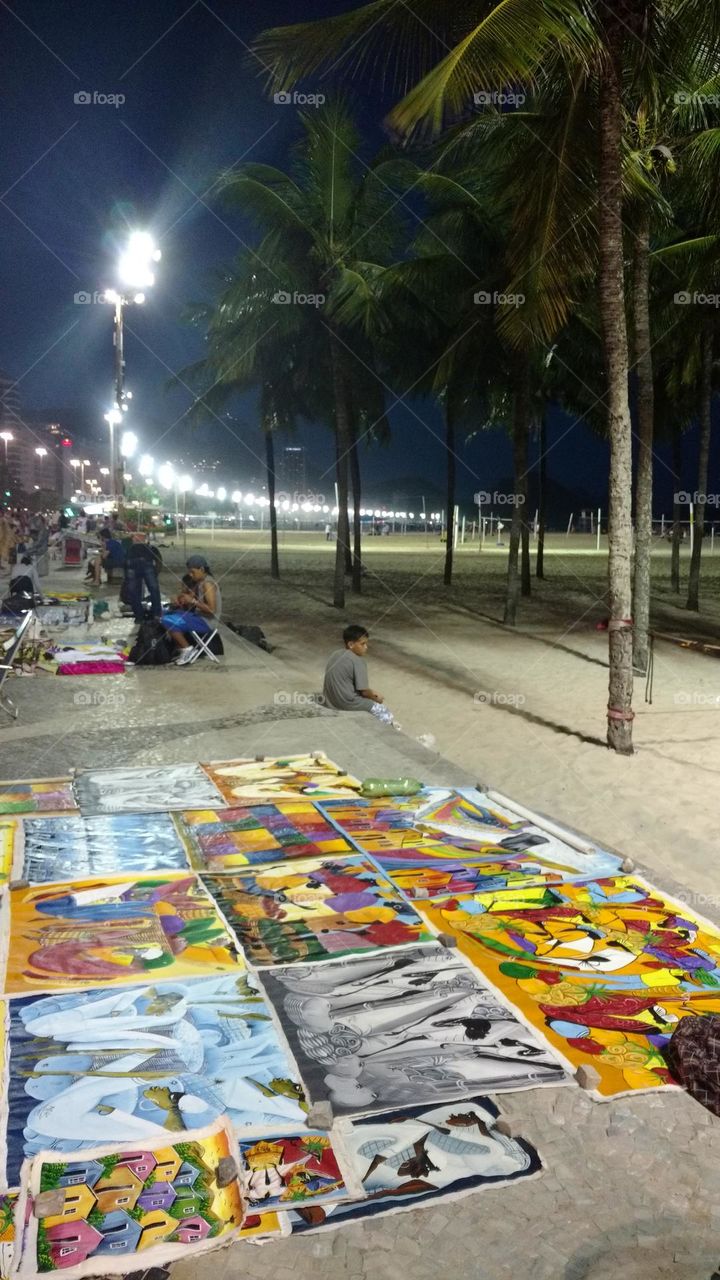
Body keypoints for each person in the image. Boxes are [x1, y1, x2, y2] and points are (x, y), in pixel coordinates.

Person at [323, 624, 395, 724]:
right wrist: (376, 696)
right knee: (385, 712)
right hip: (346, 703)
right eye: (362, 644)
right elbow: (364, 691)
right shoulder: (357, 661)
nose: (366, 647)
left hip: (330, 701)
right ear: (351, 645)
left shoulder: (335, 654)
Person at [160, 554, 222, 666]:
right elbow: (195, 601)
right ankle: (181, 649)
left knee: (167, 619)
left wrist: (193, 601)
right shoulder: (201, 583)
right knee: (165, 613)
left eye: (192, 572)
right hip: (199, 617)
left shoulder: (208, 584)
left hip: (207, 622)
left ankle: (187, 649)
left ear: (202, 569)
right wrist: (182, 600)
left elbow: (212, 609)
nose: (190, 574)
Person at [124, 531, 163, 621]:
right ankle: (156, 614)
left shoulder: (129, 548)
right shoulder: (151, 548)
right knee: (154, 590)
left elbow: (124, 561)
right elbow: (159, 561)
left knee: (134, 592)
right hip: (145, 564)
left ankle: (139, 615)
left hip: (132, 565)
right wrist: (156, 572)